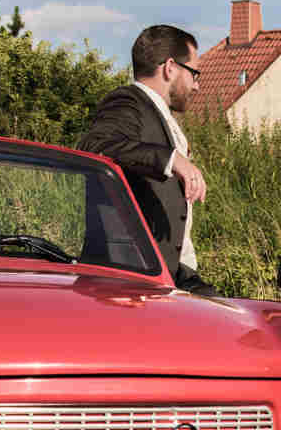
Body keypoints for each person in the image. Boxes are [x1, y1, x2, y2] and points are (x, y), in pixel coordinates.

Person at [77, 25, 218, 296]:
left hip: (170, 273)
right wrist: (171, 159)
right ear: (170, 67)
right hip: (128, 280)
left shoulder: (159, 115)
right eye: (194, 73)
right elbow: (96, 146)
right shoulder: (127, 102)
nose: (197, 85)